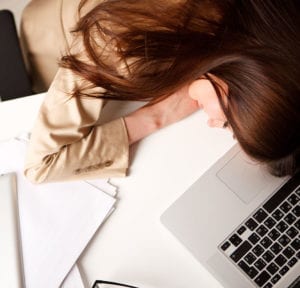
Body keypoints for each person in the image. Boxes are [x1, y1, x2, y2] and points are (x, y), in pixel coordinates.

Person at [21, 0, 299, 184]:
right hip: (45, 46)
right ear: (235, 86)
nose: (213, 123)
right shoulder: (127, 48)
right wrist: (158, 116)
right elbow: (42, 165)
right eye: (227, 124)